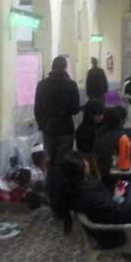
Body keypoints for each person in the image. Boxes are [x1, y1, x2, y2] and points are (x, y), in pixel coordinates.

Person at [34, 56, 80, 216]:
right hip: (65, 131)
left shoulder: (42, 85)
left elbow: (37, 109)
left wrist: (42, 125)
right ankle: (61, 204)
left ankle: (51, 200)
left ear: (52, 67)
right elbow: (75, 109)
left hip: (48, 131)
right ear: (65, 67)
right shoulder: (71, 85)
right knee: (62, 166)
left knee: (51, 165)